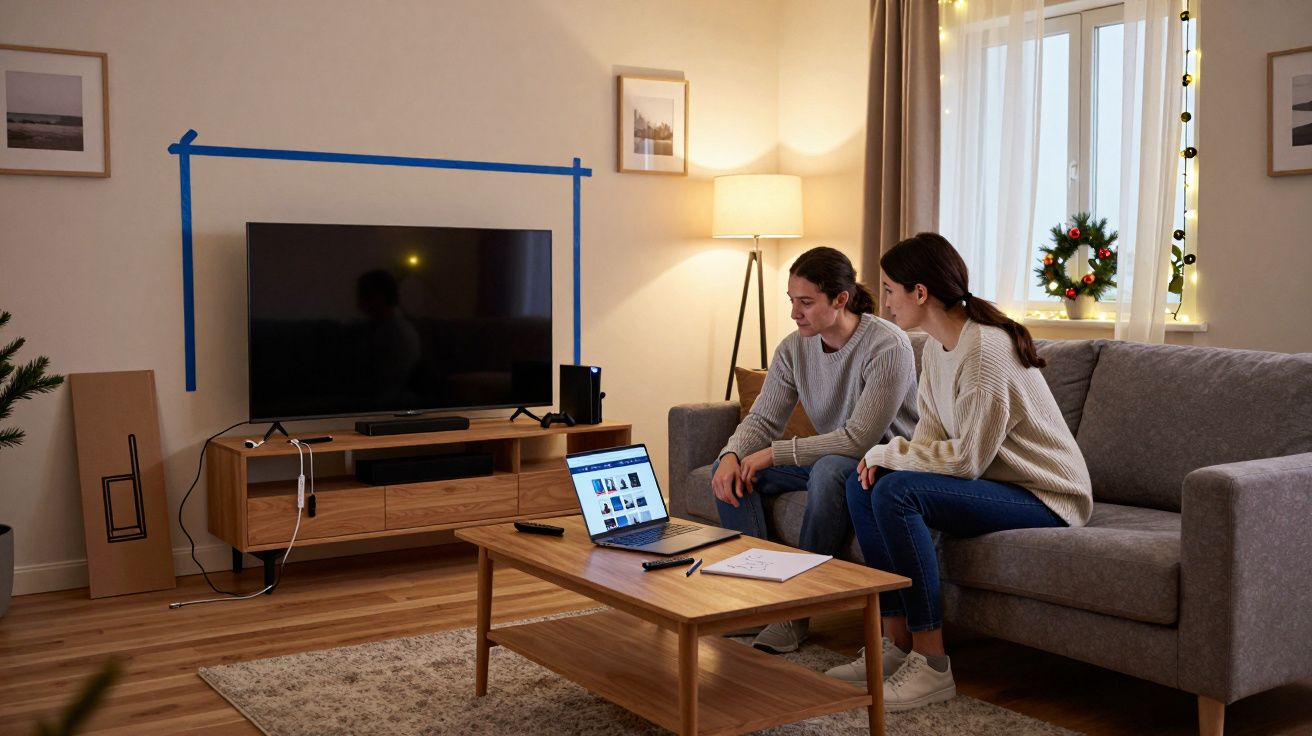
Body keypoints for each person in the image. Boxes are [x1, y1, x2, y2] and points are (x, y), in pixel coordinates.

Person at [824, 232, 1092, 712]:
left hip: (1047, 496)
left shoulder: (986, 351)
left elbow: (968, 459)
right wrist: (882, 458)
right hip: (998, 483)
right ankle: (896, 642)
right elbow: (929, 438)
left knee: (896, 491)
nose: (883, 303)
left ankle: (931, 665)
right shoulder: (933, 349)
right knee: (863, 483)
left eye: (889, 290)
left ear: (920, 293)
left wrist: (888, 455)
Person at [712, 246, 919, 654]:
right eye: (792, 301)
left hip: (885, 463)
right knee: (733, 475)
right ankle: (757, 603)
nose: (795, 313)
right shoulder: (793, 348)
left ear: (840, 299)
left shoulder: (887, 346)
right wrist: (731, 455)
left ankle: (794, 613)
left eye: (806, 302)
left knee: (826, 470)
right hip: (833, 456)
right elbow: (763, 419)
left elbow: (859, 439)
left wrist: (773, 454)